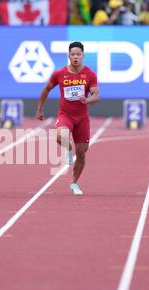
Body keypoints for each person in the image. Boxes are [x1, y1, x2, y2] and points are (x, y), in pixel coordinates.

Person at [36, 41, 100, 196]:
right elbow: (46, 89)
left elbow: (96, 95)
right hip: (66, 114)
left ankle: (74, 183)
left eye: (78, 54)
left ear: (83, 56)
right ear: (69, 56)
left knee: (82, 153)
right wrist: (39, 109)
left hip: (82, 118)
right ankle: (68, 148)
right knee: (61, 136)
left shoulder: (89, 74)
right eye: (73, 54)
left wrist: (88, 100)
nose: (76, 57)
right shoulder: (60, 73)